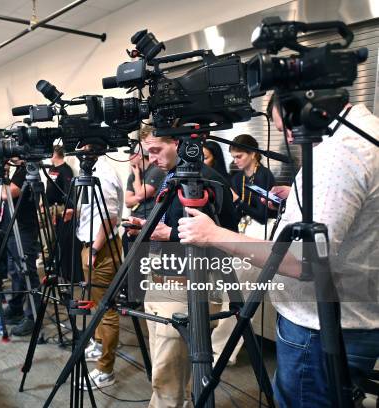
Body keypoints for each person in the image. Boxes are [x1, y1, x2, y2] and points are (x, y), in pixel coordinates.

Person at [177, 93, 379, 408]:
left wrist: (212, 233)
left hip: (317, 332)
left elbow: (303, 260)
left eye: (285, 126)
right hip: (345, 321)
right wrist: (297, 201)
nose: (288, 137)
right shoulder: (367, 134)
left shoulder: (340, 153)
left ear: (310, 109)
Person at [126, 130, 238, 407]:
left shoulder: (206, 179)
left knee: (167, 382)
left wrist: (172, 235)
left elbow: (225, 235)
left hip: (186, 285)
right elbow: (171, 220)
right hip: (161, 279)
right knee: (165, 373)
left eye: (155, 150)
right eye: (147, 152)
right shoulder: (172, 176)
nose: (151, 159)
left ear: (177, 143)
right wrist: (149, 228)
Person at [76, 146, 123, 390]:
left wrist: (94, 250)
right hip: (93, 244)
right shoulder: (91, 168)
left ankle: (106, 370)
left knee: (107, 309)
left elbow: (110, 217)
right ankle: (97, 343)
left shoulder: (103, 173)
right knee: (96, 303)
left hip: (100, 249)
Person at [1, 159, 41, 337]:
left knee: (27, 272)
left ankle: (33, 317)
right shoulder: (15, 169)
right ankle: (16, 307)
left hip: (24, 228)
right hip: (12, 225)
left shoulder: (26, 168)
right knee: (15, 271)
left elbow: (7, 194)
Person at [124, 129, 166, 254]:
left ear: (139, 155)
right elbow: (127, 202)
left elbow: (141, 195)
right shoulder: (132, 175)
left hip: (149, 226)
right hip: (134, 225)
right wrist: (139, 195)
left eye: (131, 154)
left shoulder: (156, 170)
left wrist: (137, 176)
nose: (129, 158)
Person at [44, 145, 77, 281]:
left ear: (54, 154)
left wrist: (69, 208)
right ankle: (50, 267)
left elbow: (69, 191)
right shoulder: (51, 168)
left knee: (53, 240)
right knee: (47, 239)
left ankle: (58, 270)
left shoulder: (65, 170)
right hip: (48, 207)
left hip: (58, 209)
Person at [229, 134, 276, 227]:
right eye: (233, 157)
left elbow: (263, 217)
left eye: (239, 156)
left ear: (253, 153)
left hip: (260, 231)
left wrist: (237, 200)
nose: (235, 161)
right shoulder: (237, 178)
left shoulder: (263, 175)